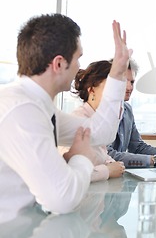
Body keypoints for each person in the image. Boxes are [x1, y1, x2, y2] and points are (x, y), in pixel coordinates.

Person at [0, 14, 130, 223]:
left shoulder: (39, 107)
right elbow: (62, 198)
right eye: (78, 57)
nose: (80, 67)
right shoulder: (22, 111)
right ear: (59, 63)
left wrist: (117, 74)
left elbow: (102, 132)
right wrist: (81, 158)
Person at [107, 59, 156, 168]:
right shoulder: (99, 112)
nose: (129, 87)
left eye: (132, 82)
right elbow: (108, 155)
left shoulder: (127, 109)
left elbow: (138, 147)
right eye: (124, 81)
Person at [67, 60, 125, 182]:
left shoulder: (97, 119)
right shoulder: (79, 120)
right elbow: (71, 174)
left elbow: (100, 155)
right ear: (91, 90)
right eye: (109, 88)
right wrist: (108, 170)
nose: (115, 95)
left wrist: (112, 164)